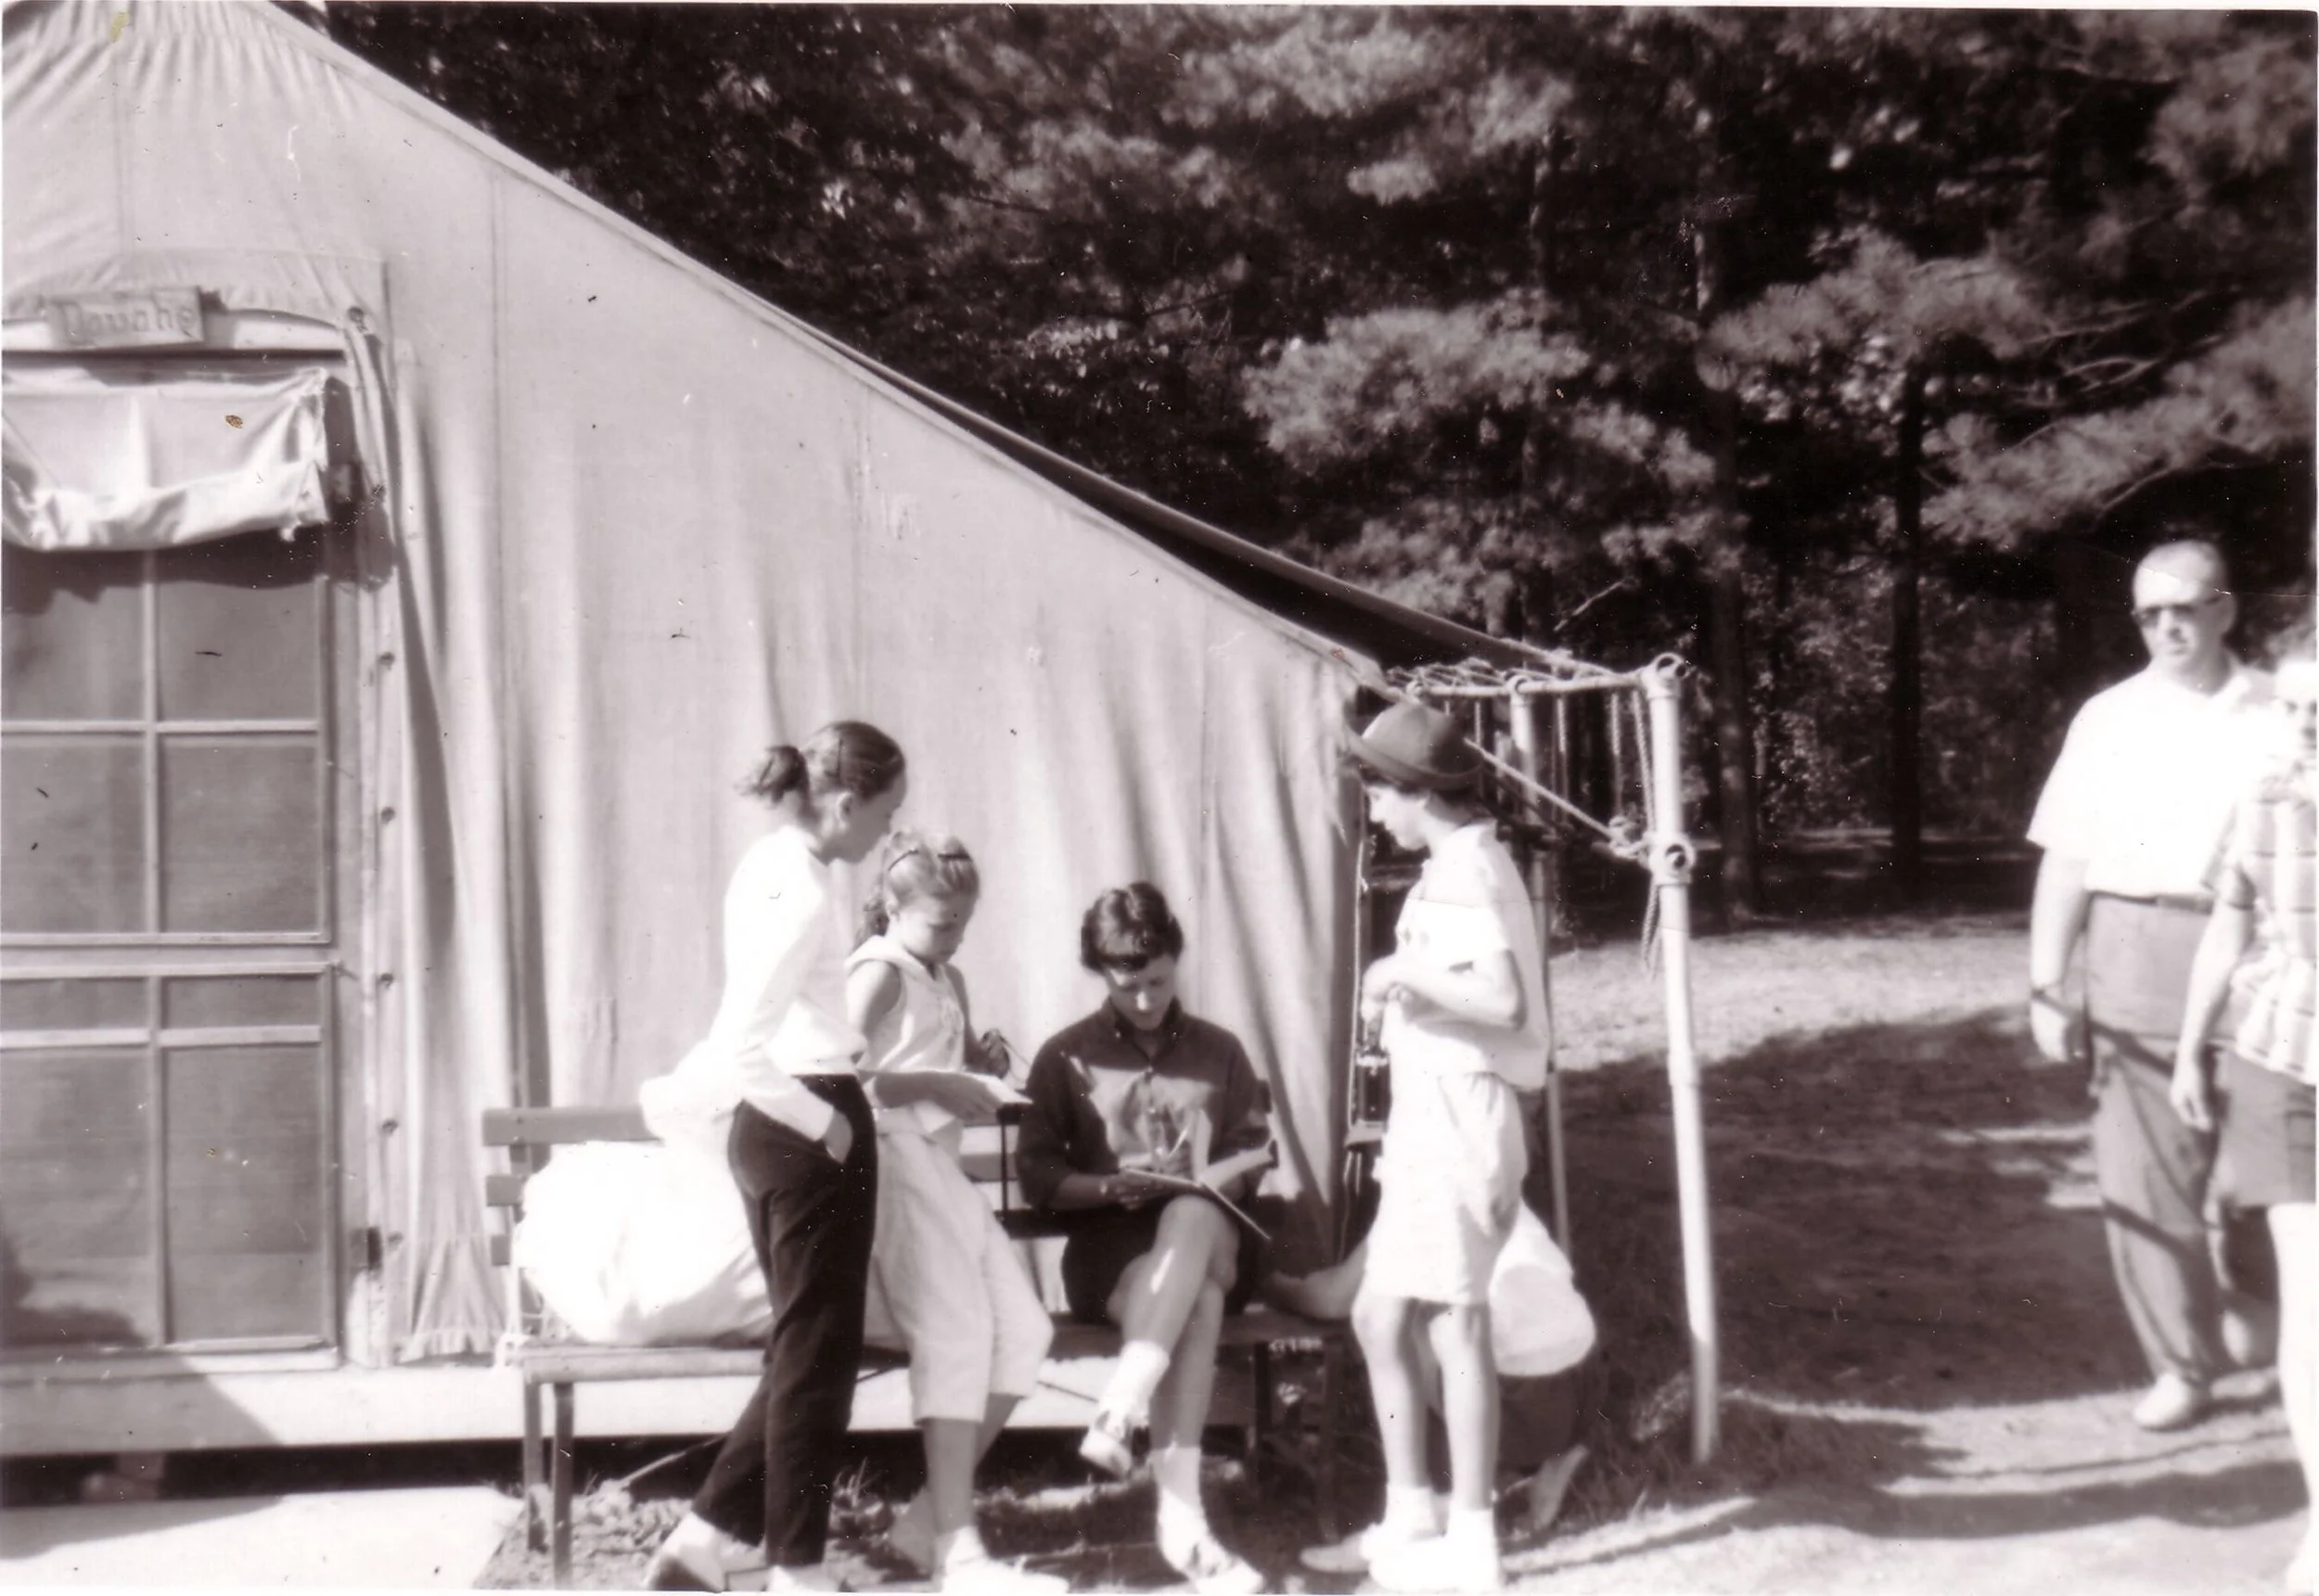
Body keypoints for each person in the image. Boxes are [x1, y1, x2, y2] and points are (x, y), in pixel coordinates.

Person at [645, 722, 909, 1593]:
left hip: (775, 1129)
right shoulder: (798, 892)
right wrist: (825, 1127)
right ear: (844, 802)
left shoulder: (771, 864)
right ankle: (797, 1567)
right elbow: (741, 1046)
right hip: (803, 1117)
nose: (882, 837)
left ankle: (701, 1541)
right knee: (818, 1361)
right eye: (883, 814)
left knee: (807, 1351)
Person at [2027, 539, 2281, 1432]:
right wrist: (2046, 981)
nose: (2167, 625)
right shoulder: (2109, 718)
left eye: (2185, 605)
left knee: (2268, 1143)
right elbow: (2068, 857)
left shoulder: (2282, 711)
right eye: (2149, 612)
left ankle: (2264, 1304)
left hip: (2262, 945)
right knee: (2148, 1167)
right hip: (2135, 939)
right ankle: (2182, 1361)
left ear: (2226, 609)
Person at [1304, 697, 1551, 1592]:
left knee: (1456, 1322)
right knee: (1378, 1314)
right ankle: (1412, 1515)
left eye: (1376, 791)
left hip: (1461, 1113)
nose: (1371, 808)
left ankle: (1472, 1541)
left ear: (1414, 791)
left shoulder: (1465, 870)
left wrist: (1397, 972)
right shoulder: (1463, 860)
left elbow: (1503, 1000)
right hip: (1432, 1112)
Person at [1016, 884, 1270, 1596]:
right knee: (1196, 1303)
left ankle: (1122, 1403)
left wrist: (1214, 1177)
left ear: (1176, 958)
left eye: (1158, 981)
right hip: (1114, 1247)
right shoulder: (1066, 1055)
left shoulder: (1220, 1049)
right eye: (1128, 987)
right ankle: (1183, 1519)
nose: (1147, 1000)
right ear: (1101, 973)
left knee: (1191, 1216)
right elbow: (1038, 1172)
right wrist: (1104, 1188)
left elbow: (1255, 1149)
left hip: (1215, 1230)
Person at [846, 832, 1062, 1595]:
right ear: (893, 907)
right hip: (895, 1165)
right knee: (956, 1334)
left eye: (965, 922)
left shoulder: (947, 973)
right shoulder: (875, 973)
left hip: (940, 1167)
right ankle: (959, 1552)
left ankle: (922, 1529)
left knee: (1026, 1330)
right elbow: (833, 1079)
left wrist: (984, 1068)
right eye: (941, 922)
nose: (955, 936)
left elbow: (957, 1061)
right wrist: (938, 1078)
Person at [2170, 626, 2316, 1596]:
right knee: (2310, 1297)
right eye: (2293, 708)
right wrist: (2189, 1045)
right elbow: (2226, 930)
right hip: (2279, 1056)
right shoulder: (2260, 803)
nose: (2306, 728)